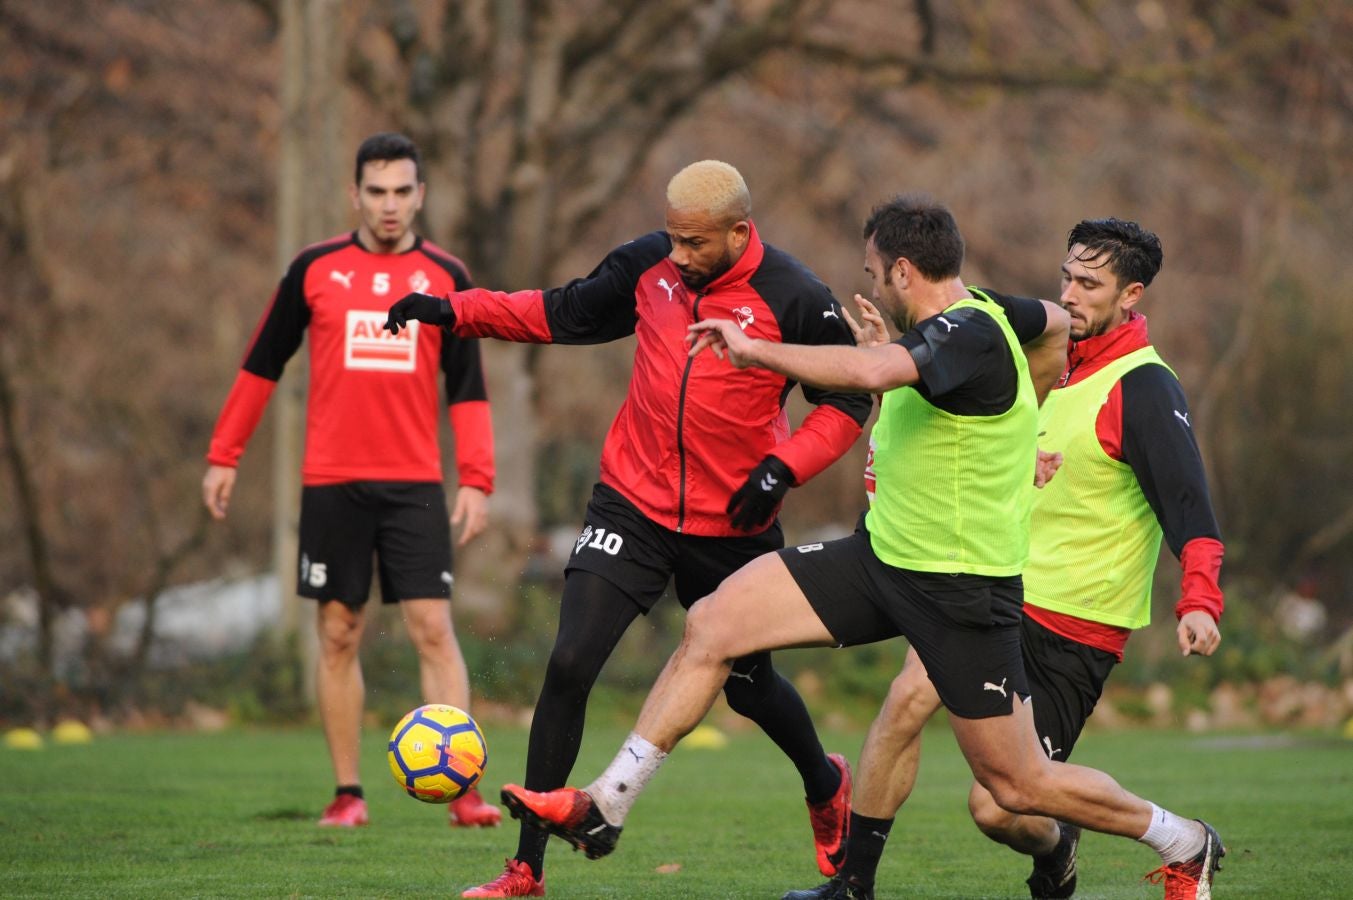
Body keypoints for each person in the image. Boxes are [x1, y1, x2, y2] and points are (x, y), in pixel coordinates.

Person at [497, 195, 1224, 900]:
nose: (872, 284)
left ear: (904, 272)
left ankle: (1180, 839)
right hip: (882, 561)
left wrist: (756, 350)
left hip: (960, 591)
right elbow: (1052, 327)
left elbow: (874, 373)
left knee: (1014, 788)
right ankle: (608, 802)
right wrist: (1019, 438)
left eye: (875, 273)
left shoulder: (968, 330)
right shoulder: (1004, 314)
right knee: (714, 621)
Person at [384, 159, 873, 898]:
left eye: (694, 243)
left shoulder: (796, 296)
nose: (676, 256)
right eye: (671, 238)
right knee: (572, 660)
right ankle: (525, 869)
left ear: (740, 231)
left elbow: (845, 402)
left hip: (733, 525)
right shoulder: (650, 266)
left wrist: (784, 468)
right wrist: (452, 310)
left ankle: (822, 781)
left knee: (748, 687)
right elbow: (557, 312)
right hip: (631, 505)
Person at [783, 218, 1226, 899]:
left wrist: (1198, 599)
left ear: (1131, 295)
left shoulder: (1143, 386)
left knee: (1001, 807)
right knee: (905, 698)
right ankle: (851, 885)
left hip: (1073, 628)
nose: (1069, 295)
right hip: (991, 592)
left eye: (1090, 284)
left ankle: (1126, 841)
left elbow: (1189, 507)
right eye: (1065, 278)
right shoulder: (1032, 361)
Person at [202, 132, 501, 829]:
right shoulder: (314, 270)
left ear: (420, 195)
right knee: (338, 632)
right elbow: (261, 362)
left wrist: (477, 478)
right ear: (355, 194)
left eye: (402, 191)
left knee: (432, 627)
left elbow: (468, 387)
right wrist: (225, 453)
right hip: (332, 481)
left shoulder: (446, 276)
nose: (390, 205)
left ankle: (464, 792)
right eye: (377, 191)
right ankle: (348, 794)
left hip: (414, 483)